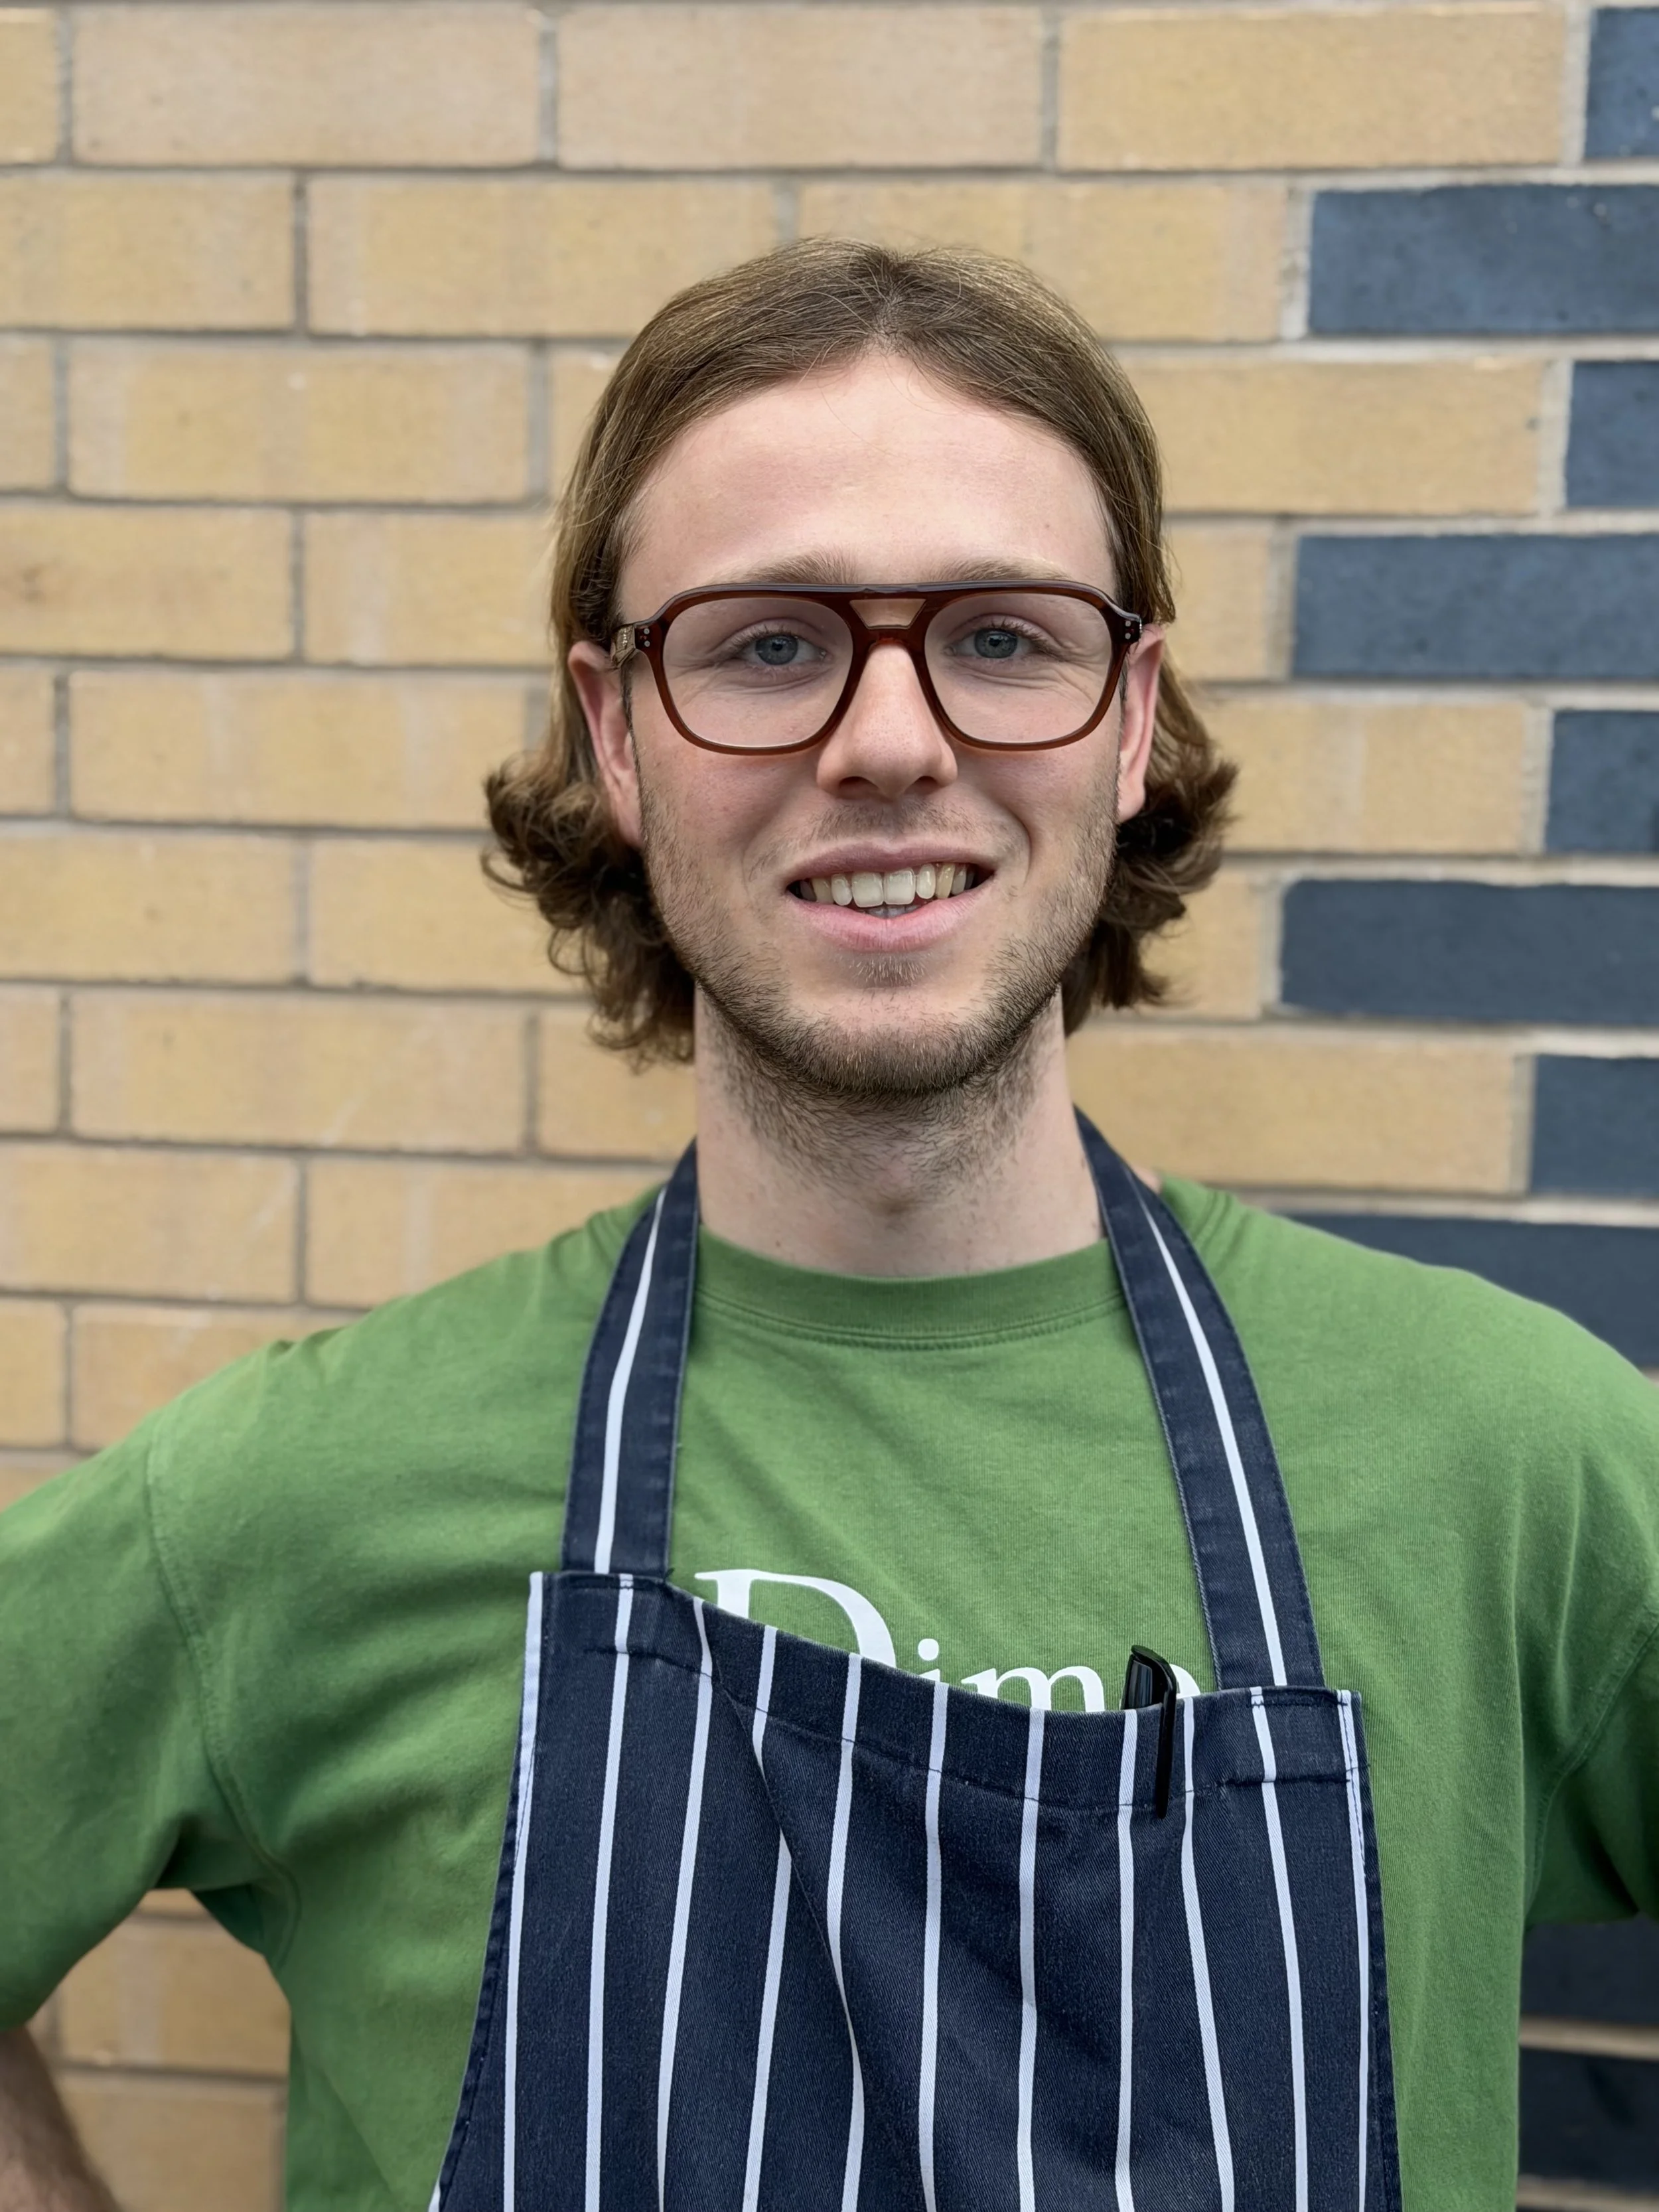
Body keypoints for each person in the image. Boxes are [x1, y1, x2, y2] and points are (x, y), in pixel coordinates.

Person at [1, 240, 1655, 2212]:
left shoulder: (1501, 1456)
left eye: (1004, 636)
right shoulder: (294, 1495)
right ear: (617, 732)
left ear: (1128, 722)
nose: (887, 740)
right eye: (769, 643)